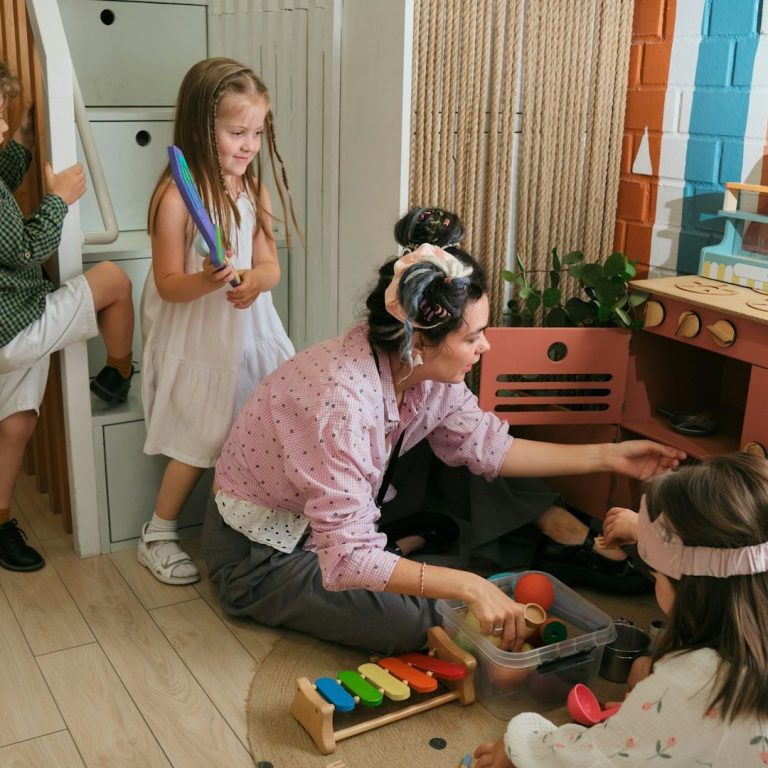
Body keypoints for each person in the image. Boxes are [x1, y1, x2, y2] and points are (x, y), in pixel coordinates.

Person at [202, 205, 684, 655]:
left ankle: (475, 543)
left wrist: (609, 457)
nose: (485, 347)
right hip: (263, 556)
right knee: (428, 621)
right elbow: (347, 559)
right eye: (473, 336)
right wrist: (467, 587)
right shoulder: (340, 403)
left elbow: (489, 446)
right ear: (419, 343)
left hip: (336, 514)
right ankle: (446, 555)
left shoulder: (418, 370)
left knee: (466, 468)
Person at [473, 451, 768, 768]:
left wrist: (520, 746)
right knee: (642, 669)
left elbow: (590, 758)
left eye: (656, 575)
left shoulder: (693, 685)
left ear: (690, 589)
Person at [138, 58, 298, 585]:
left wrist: (255, 280)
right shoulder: (174, 198)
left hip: (250, 332)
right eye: (236, 133)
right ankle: (158, 533)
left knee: (254, 431)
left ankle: (244, 531)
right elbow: (168, 283)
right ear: (200, 128)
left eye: (257, 133)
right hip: (198, 336)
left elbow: (271, 266)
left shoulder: (253, 190)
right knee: (198, 437)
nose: (249, 145)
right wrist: (208, 280)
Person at [0, 61, 134, 573]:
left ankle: (0, 522)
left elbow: (5, 173)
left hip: (8, 334)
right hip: (16, 325)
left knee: (17, 422)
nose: (3, 125)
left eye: (5, 114)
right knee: (114, 281)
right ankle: (119, 371)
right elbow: (27, 250)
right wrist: (58, 199)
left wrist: (24, 136)